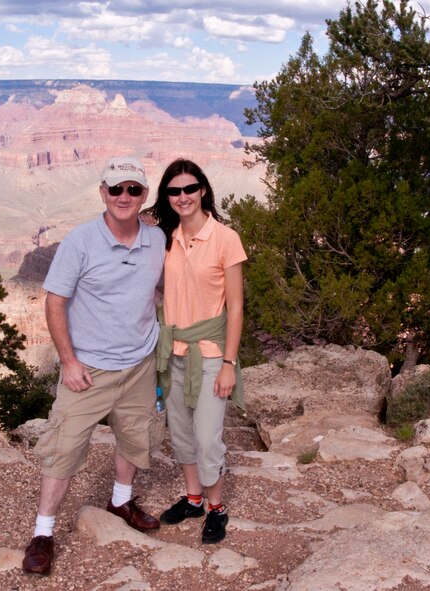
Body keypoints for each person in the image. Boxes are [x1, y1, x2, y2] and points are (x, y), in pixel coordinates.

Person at [22, 156, 166, 576]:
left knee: (135, 437)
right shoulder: (80, 241)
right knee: (64, 447)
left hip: (140, 361)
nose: (124, 197)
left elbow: (167, 288)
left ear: (144, 196)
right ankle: (43, 533)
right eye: (116, 189)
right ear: (103, 192)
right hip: (88, 367)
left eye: (133, 190)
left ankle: (120, 500)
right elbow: (55, 302)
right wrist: (68, 361)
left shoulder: (155, 240)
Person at [141, 158, 247, 545]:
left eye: (189, 189)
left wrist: (229, 364)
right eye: (174, 191)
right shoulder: (164, 239)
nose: (182, 197)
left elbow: (235, 307)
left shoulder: (224, 238)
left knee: (207, 437)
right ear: (166, 196)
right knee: (182, 434)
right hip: (173, 353)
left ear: (203, 190)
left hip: (210, 354)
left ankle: (217, 508)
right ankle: (193, 498)